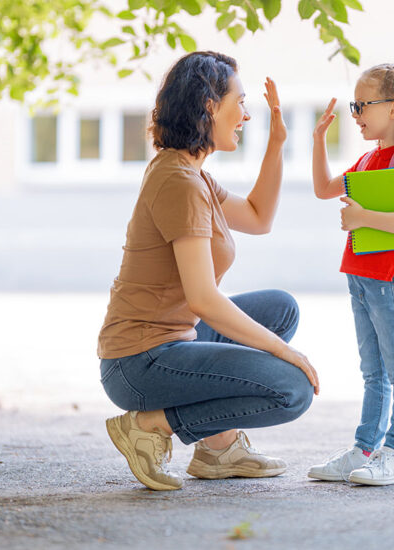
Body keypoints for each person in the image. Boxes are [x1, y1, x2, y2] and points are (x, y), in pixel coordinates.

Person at [97, 51, 319, 492]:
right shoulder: (179, 182)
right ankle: (151, 424)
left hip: (175, 341)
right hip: (139, 363)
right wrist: (284, 353)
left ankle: (217, 449)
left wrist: (277, 145)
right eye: (239, 101)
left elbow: (258, 217)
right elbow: (203, 299)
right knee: (291, 389)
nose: (247, 114)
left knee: (281, 309)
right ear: (208, 105)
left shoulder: (191, 173)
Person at [308, 63, 394, 486]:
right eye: (355, 105)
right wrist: (317, 140)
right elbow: (324, 189)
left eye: (363, 105)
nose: (356, 113)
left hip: (391, 279)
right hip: (361, 276)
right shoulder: (367, 159)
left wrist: (364, 215)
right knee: (372, 371)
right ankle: (365, 449)